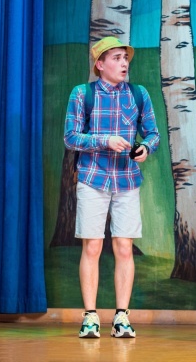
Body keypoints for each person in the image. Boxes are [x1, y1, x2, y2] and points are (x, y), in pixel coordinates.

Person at [64, 36, 160, 338]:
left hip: (127, 180)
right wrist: (104, 140)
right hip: (93, 178)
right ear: (100, 64)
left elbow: (153, 133)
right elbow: (70, 137)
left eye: (125, 58)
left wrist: (145, 147)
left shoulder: (138, 94)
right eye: (116, 58)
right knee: (92, 246)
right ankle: (90, 317)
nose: (123, 63)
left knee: (124, 247)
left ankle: (122, 318)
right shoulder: (82, 94)